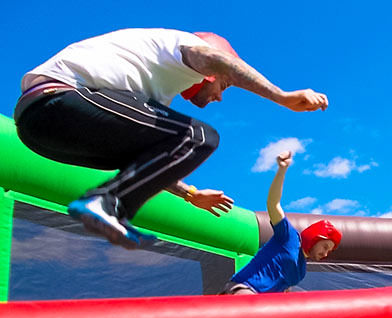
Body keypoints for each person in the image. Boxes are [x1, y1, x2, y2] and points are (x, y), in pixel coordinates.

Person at [14, 29, 328, 249]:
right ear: (212, 74)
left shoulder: (149, 92)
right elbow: (213, 58)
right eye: (224, 86)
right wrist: (281, 96)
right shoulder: (183, 47)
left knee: (155, 147)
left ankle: (107, 203)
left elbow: (145, 162)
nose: (219, 97)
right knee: (200, 136)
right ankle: (105, 203)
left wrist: (189, 194)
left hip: (35, 129)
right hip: (59, 98)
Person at [220, 150, 341, 318]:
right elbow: (273, 204)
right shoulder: (288, 237)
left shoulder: (301, 271)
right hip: (241, 290)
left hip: (263, 308)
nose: (326, 253)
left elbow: (283, 294)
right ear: (315, 238)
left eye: (330, 250)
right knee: (258, 317)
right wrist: (282, 169)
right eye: (326, 246)